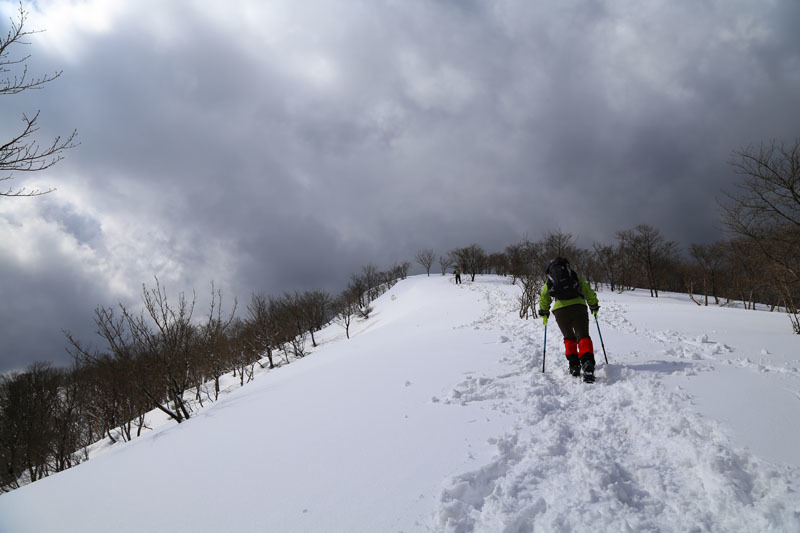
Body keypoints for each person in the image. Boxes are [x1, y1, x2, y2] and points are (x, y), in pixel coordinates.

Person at [538, 257, 600, 381]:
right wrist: (593, 304)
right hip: (579, 307)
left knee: (569, 337)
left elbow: (545, 296)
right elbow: (587, 290)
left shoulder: (550, 278)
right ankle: (587, 363)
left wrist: (544, 312)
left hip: (560, 310)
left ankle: (574, 365)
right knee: (583, 335)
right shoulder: (573, 275)